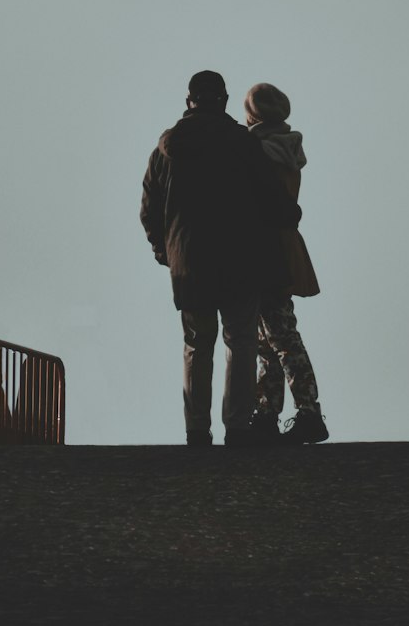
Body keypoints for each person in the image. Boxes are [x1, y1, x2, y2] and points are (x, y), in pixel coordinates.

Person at [140, 70, 301, 447]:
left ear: (188, 102)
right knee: (241, 340)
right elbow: (271, 195)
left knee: (197, 342)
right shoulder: (242, 144)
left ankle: (197, 429)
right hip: (241, 259)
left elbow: (149, 209)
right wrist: (290, 217)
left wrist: (164, 251)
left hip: (189, 261)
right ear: (225, 101)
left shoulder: (167, 148)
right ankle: (238, 427)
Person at [244, 82, 329, 445]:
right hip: (284, 245)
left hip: (263, 249)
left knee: (276, 336)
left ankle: (300, 412)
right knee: (274, 332)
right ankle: (274, 411)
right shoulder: (289, 147)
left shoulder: (256, 150)